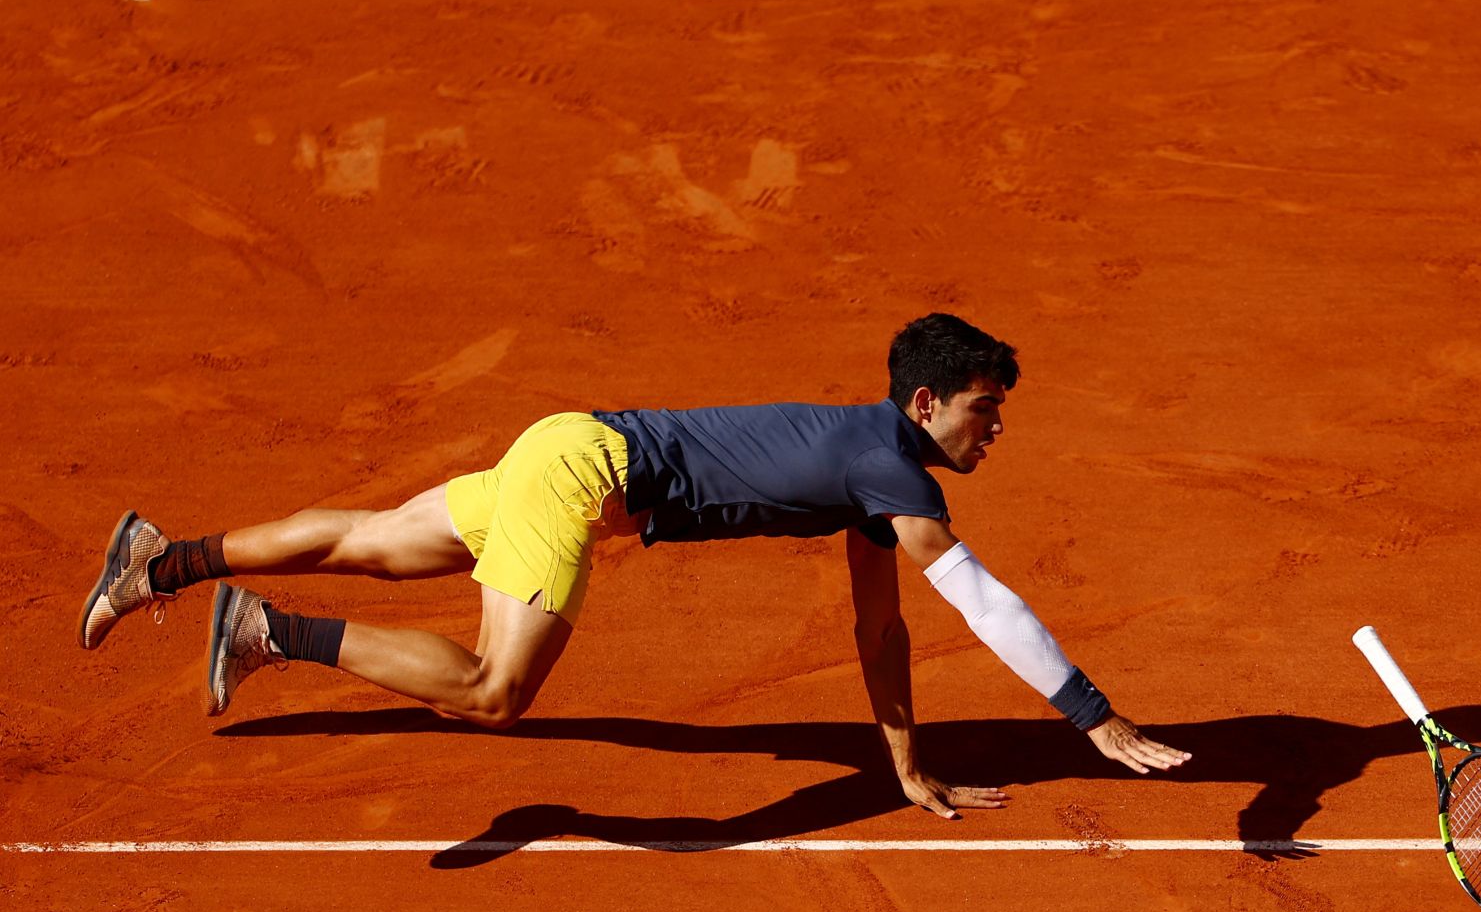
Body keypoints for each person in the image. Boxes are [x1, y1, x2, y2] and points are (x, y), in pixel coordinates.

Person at [78, 313, 1191, 818]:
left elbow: (881, 628)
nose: (992, 430)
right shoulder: (895, 472)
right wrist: (1089, 714)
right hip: (580, 481)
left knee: (366, 540)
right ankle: (271, 631)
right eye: (983, 412)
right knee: (492, 689)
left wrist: (902, 763)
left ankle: (156, 559)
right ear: (924, 404)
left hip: (570, 443)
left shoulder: (875, 471)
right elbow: (977, 597)